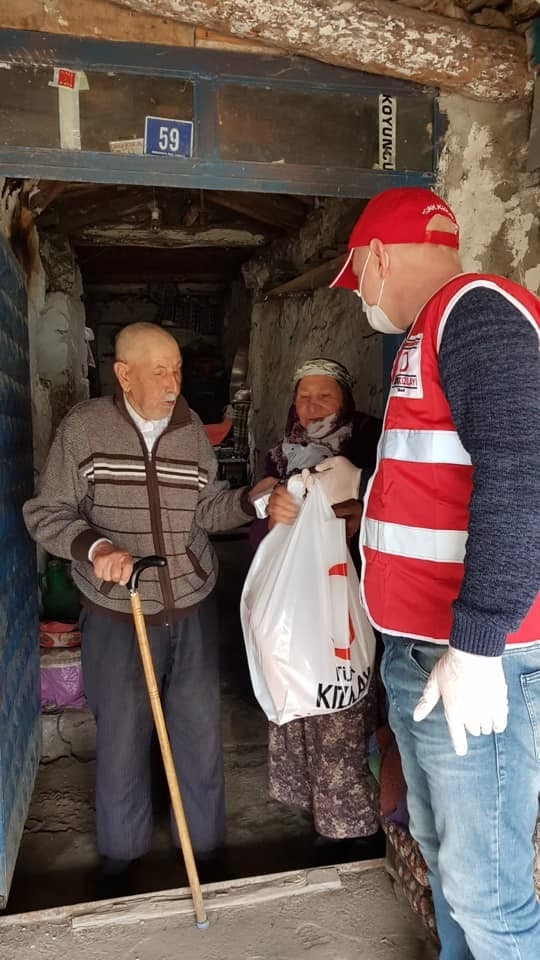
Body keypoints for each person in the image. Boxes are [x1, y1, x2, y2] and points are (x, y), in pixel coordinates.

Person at [271, 188, 540, 959]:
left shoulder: (477, 312)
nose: (357, 294)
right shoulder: (428, 335)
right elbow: (443, 473)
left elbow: (523, 471)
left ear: (378, 256)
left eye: (355, 275)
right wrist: (358, 484)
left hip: (474, 658)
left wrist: (478, 645)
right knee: (442, 854)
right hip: (422, 653)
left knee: (487, 893)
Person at [23, 322, 269, 893]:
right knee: (122, 731)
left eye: (176, 370)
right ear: (124, 375)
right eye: (159, 371)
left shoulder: (190, 429)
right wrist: (96, 547)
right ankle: (122, 855)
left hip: (189, 601)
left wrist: (247, 501)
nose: (173, 382)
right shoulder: (83, 428)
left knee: (198, 727)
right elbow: (46, 512)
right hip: (117, 608)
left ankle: (203, 849)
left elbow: (204, 509)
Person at [255, 358, 384, 862]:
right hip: (300, 600)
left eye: (324, 396)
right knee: (299, 688)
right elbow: (261, 511)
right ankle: (319, 810)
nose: (311, 407)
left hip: (355, 599)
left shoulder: (372, 441)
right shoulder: (280, 453)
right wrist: (270, 509)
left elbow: (399, 500)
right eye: (303, 396)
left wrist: (362, 513)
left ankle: (355, 827)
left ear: (345, 400)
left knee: (347, 705)